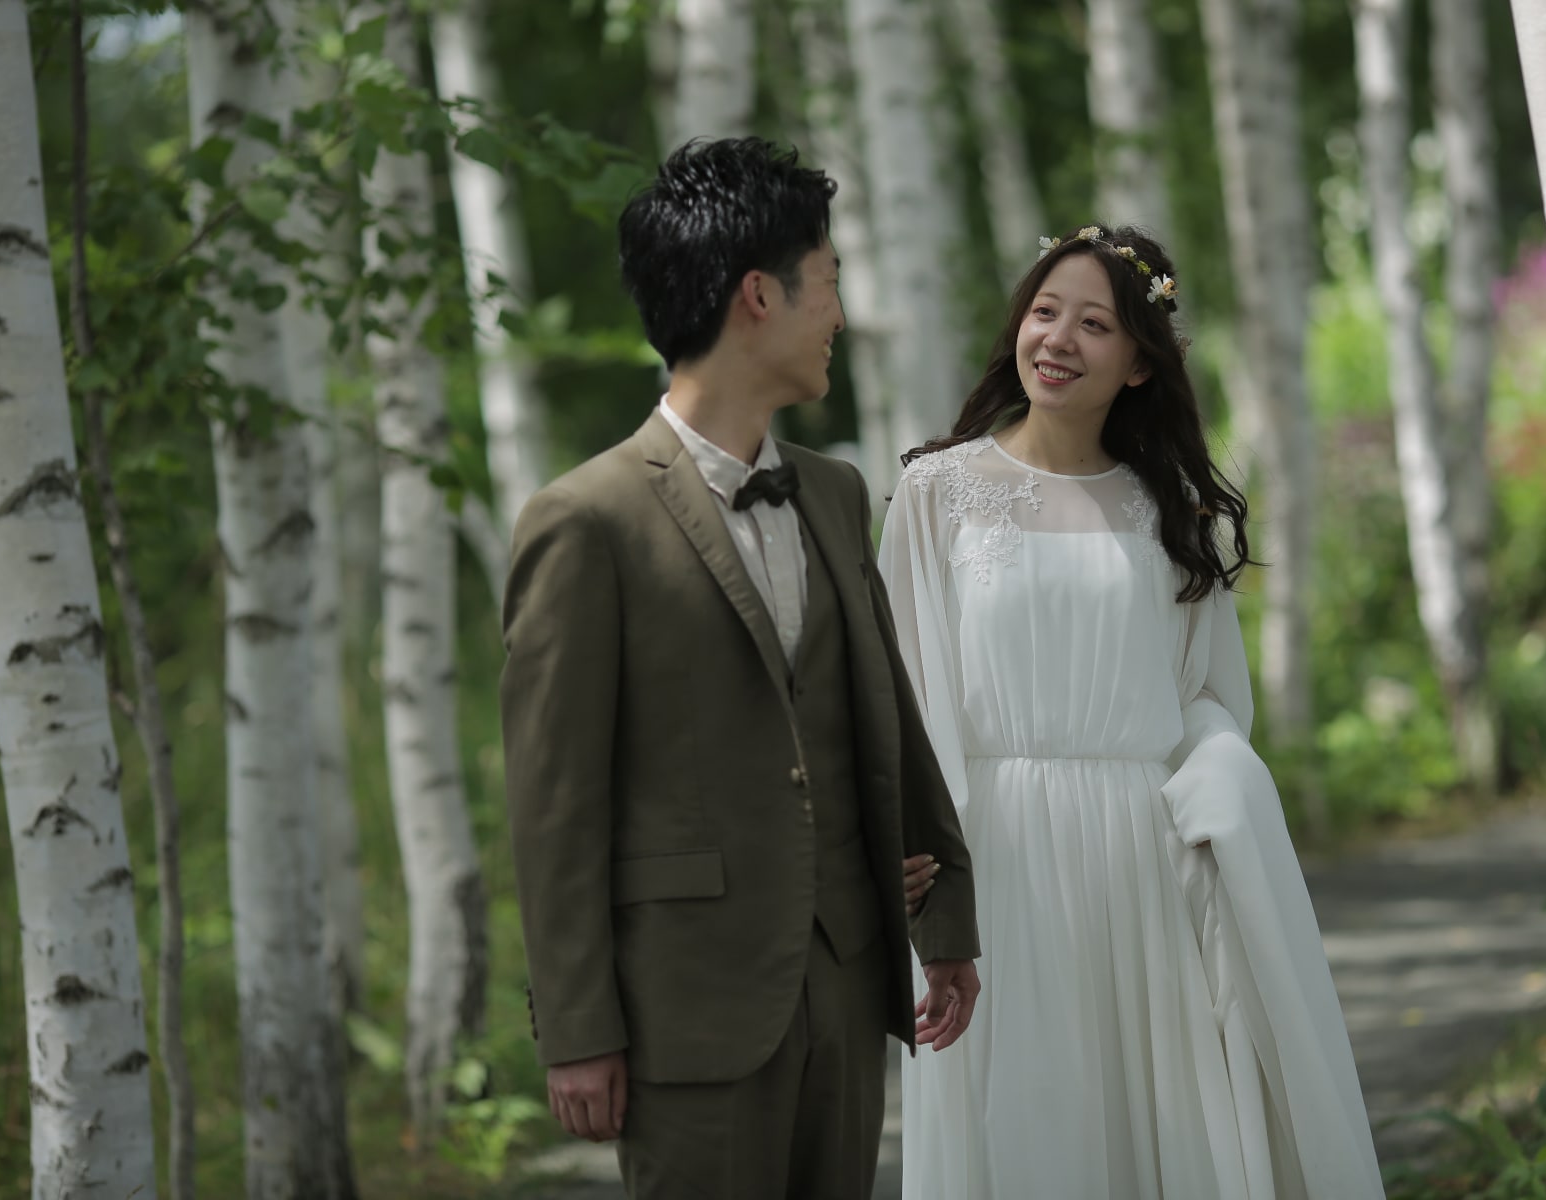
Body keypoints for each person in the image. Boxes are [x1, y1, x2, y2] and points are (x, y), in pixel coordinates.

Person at [498, 137, 982, 1200]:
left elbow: (883, 712)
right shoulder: (585, 520)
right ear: (760, 295)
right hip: (687, 1009)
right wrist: (578, 1029)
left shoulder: (835, 493)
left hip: (845, 984)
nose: (839, 316)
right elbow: (554, 805)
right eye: (830, 282)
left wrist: (943, 913)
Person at [879, 225, 1384, 1198]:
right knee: (1021, 1125)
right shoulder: (936, 492)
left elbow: (1207, 699)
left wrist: (1222, 797)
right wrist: (920, 866)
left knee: (1159, 1119)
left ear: (1141, 363)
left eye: (1095, 324)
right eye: (1044, 311)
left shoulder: (1172, 511)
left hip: (1142, 860)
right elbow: (904, 696)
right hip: (993, 855)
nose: (1058, 339)